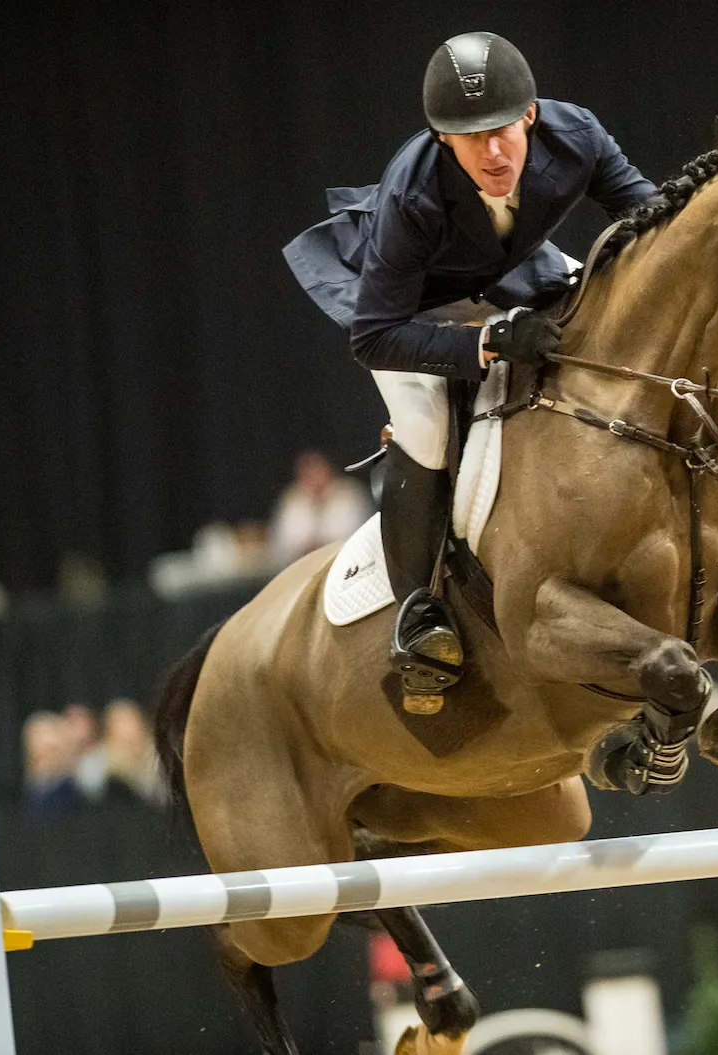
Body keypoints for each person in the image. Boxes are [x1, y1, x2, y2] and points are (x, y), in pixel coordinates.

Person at [283, 32, 655, 711]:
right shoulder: (414, 194)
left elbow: (649, 222)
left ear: (531, 116)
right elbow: (374, 337)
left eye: (503, 131)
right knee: (425, 426)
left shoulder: (578, 136)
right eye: (469, 137)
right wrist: (485, 344)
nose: (492, 153)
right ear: (442, 140)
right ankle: (419, 612)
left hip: (508, 272)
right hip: (411, 309)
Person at [269, 449, 373, 565]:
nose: (313, 475)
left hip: (346, 564)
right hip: (301, 565)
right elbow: (283, 540)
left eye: (317, 468)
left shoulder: (350, 492)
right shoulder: (292, 497)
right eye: (307, 470)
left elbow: (352, 534)